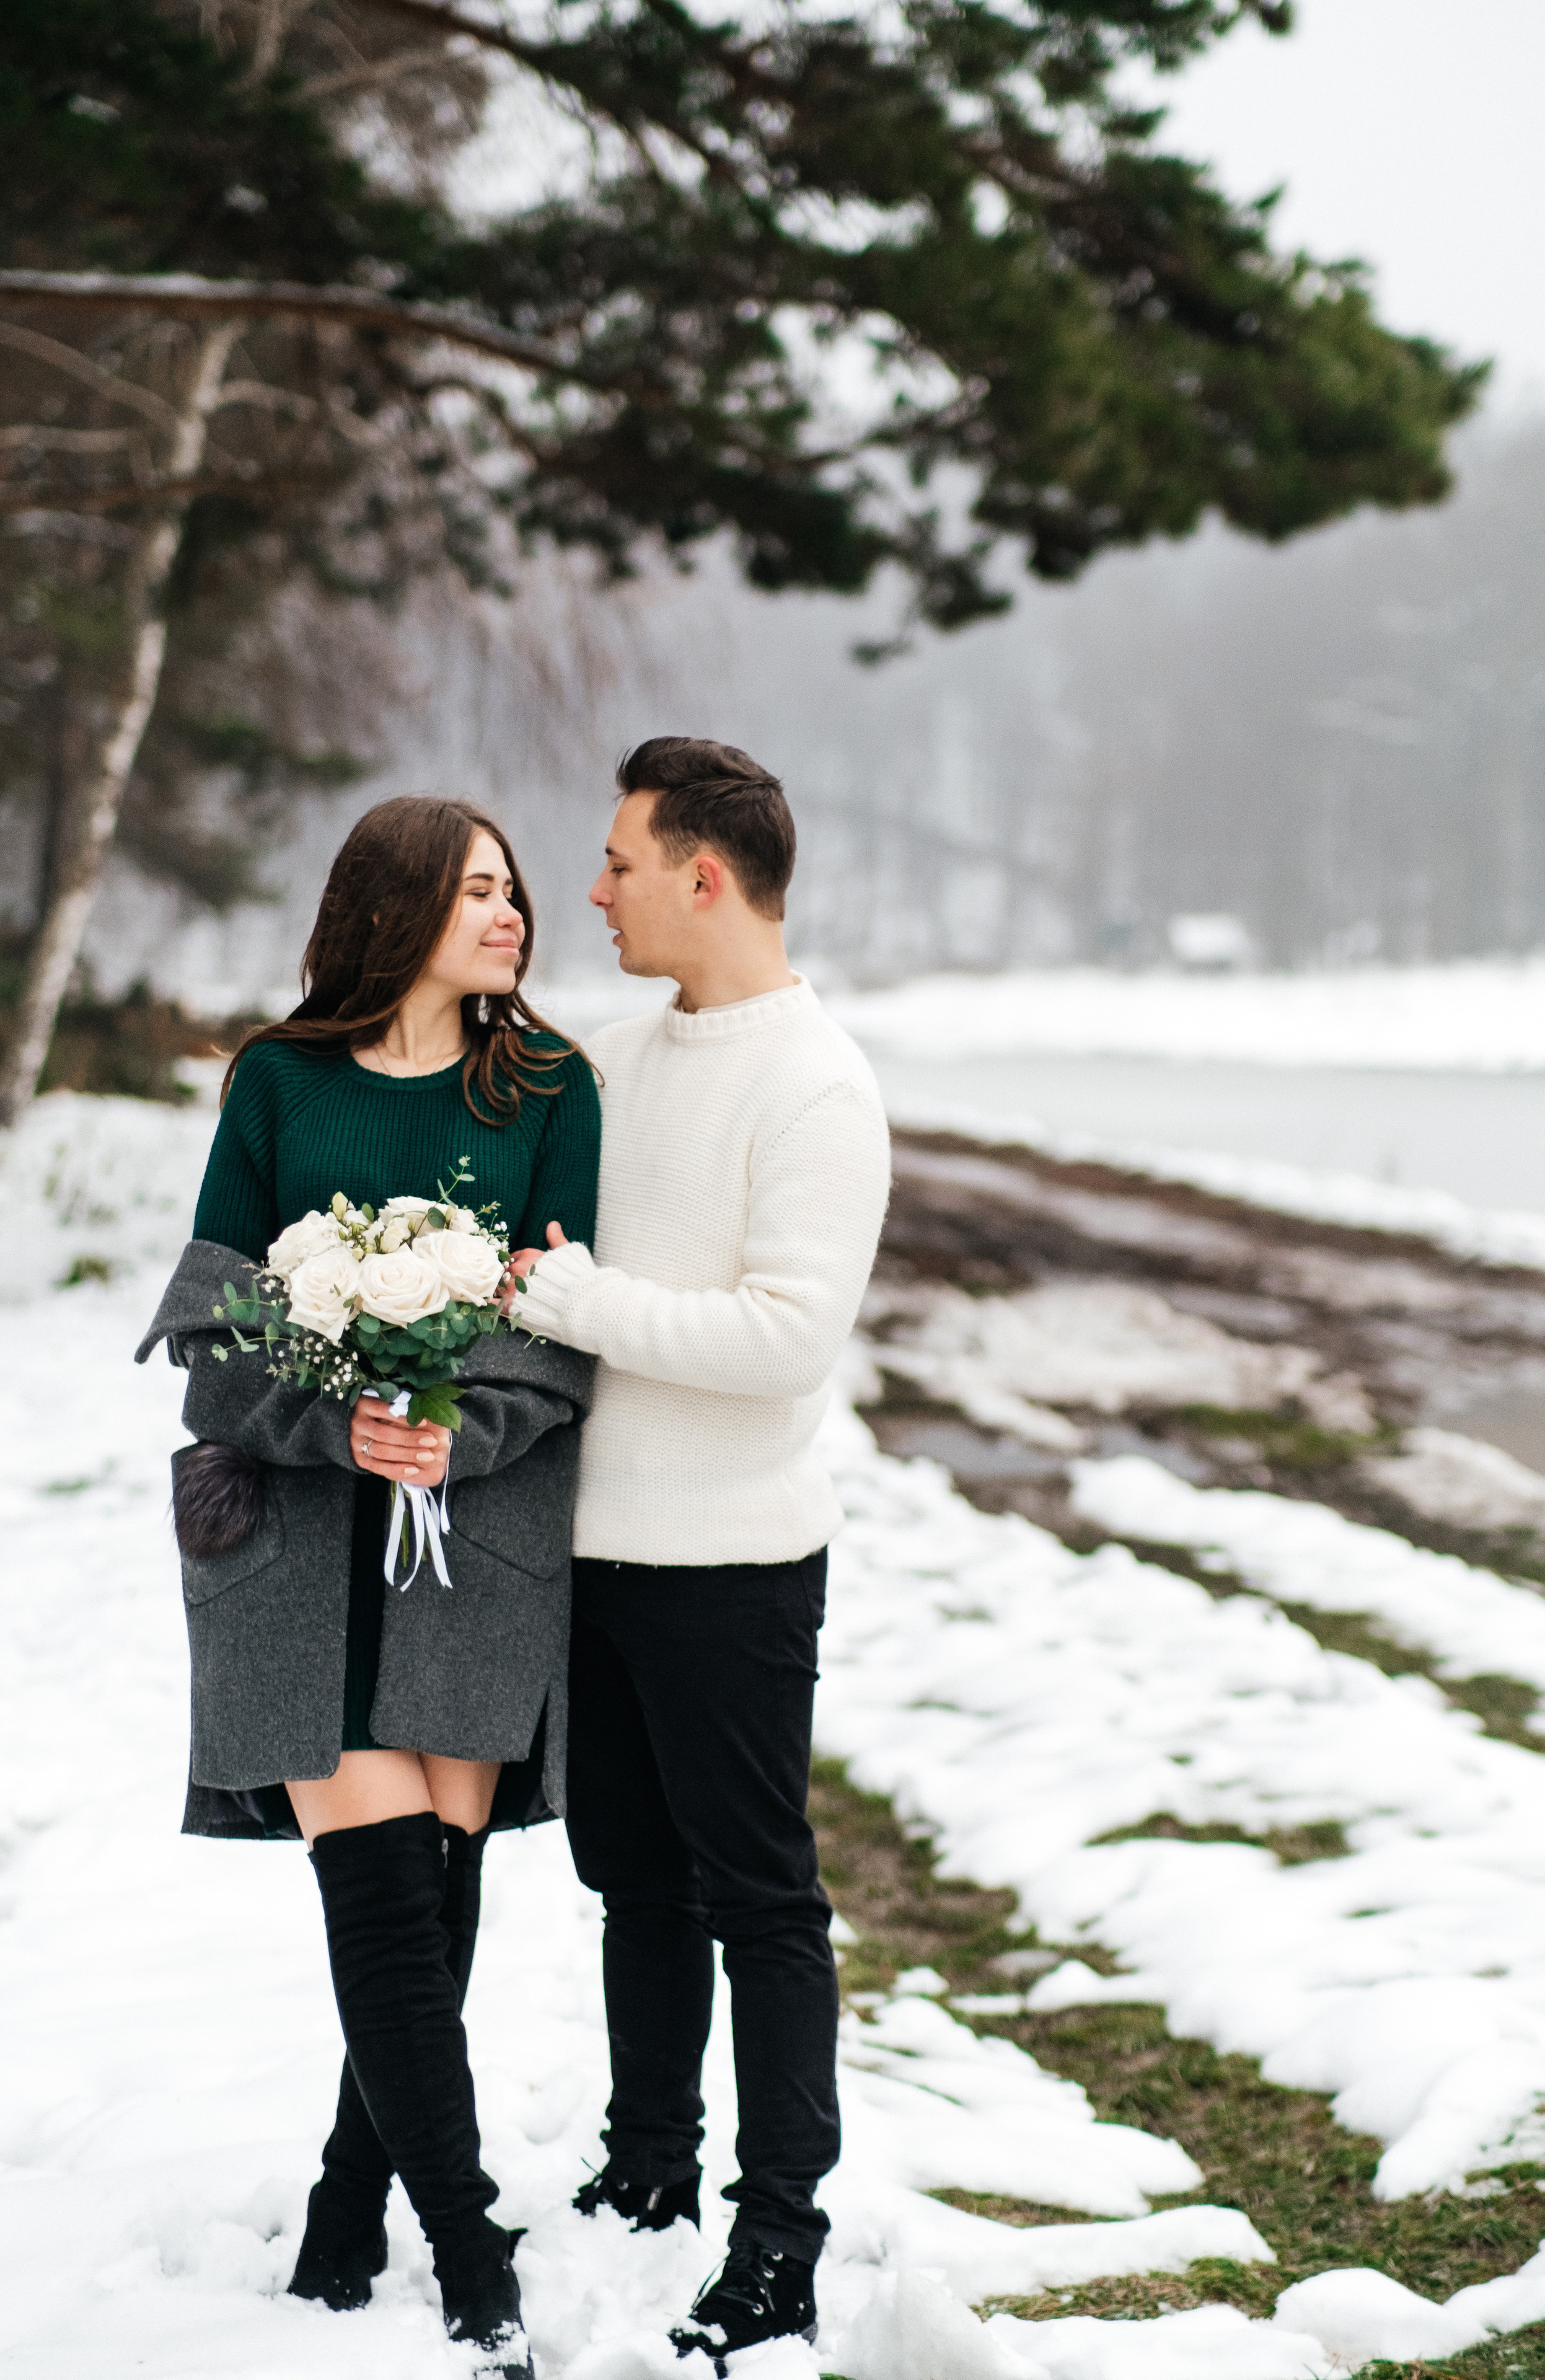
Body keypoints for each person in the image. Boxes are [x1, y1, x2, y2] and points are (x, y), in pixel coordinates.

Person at [134, 796, 601, 2379]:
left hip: (479, 1534)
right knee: (384, 1897)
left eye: (515, 890)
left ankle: (350, 2204)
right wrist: (341, 1417)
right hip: (299, 1540)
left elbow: (561, 1310)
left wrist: (458, 1428)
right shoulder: (276, 1080)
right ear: (393, 908)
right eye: (477, 890)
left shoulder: (546, 1085)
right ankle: (469, 2252)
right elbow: (212, 1316)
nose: (511, 914)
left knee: (434, 1898)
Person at [508, 738, 891, 2361]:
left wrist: (578, 1301)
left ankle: (780, 2234)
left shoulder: (817, 1084)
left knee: (759, 1899)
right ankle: (648, 2165)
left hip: (733, 1568)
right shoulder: (610, 1057)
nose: (588, 892)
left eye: (615, 864)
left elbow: (784, 1339)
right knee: (632, 1883)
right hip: (592, 1557)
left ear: (703, 876)